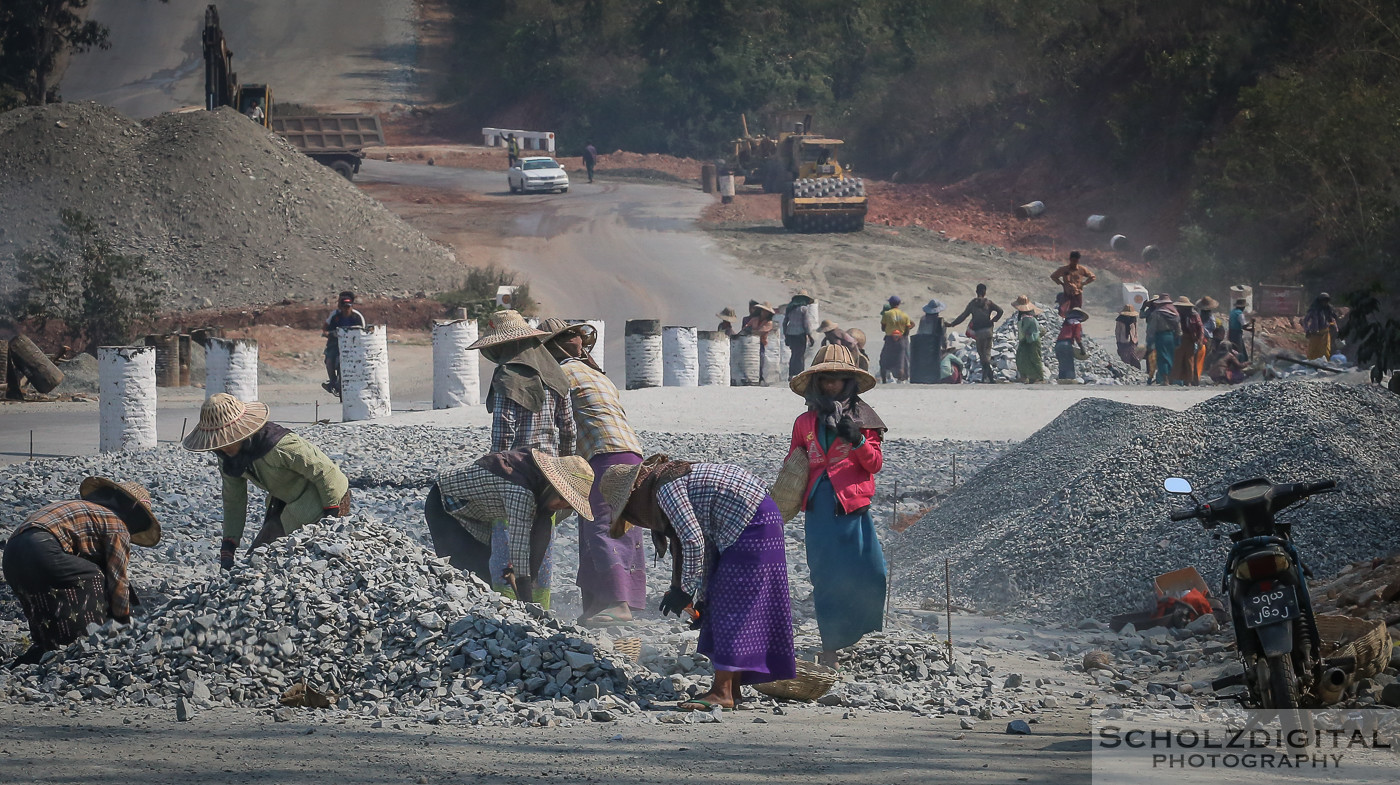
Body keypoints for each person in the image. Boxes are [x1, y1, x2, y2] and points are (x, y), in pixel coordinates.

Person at [602, 456, 796, 710]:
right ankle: (732, 689)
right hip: (753, 518)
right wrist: (701, 599)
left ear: (633, 499)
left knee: (732, 606)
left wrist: (683, 591)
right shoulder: (665, 482)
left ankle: (722, 692)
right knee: (723, 600)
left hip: (753, 521)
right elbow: (704, 549)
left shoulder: (666, 489)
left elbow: (693, 541)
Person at [539, 318, 647, 625]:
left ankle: (618, 604)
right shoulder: (596, 374)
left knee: (602, 525)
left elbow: (556, 427)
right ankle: (596, 608)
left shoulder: (559, 374)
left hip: (602, 454)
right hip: (630, 452)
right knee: (616, 524)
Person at [786, 346, 888, 666]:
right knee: (827, 579)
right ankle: (831, 646)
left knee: (871, 574)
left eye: (839, 378)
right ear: (817, 381)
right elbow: (794, 463)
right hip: (820, 510)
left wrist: (857, 440)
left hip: (854, 507)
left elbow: (875, 465)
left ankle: (867, 639)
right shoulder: (804, 422)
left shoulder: (864, 418)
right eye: (826, 378)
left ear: (849, 381)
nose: (832, 384)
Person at [2, 477, 161, 665]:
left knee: (41, 600)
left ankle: (42, 648)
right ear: (135, 514)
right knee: (94, 577)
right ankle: (82, 645)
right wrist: (123, 622)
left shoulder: (85, 510)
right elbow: (117, 579)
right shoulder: (117, 526)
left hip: (12, 553)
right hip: (42, 548)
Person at [183, 394, 351, 569]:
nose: (223, 448)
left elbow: (326, 472)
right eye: (218, 443)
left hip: (328, 497)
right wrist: (229, 545)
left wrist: (330, 522)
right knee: (255, 560)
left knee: (299, 562)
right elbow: (234, 500)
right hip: (285, 500)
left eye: (226, 441)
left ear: (240, 433)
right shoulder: (226, 456)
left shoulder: (281, 446)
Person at [426, 449, 595, 610]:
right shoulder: (520, 489)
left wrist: (532, 579)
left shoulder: (541, 487)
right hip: (446, 505)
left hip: (477, 515)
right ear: (553, 486)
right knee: (464, 576)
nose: (560, 506)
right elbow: (518, 547)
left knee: (482, 578)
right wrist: (527, 600)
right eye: (561, 499)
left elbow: (540, 534)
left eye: (567, 505)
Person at [468, 310, 576, 456]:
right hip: (550, 460)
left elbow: (503, 433)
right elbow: (568, 428)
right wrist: (566, 460)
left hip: (518, 465)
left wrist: (495, 464)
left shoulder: (506, 378)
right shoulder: (556, 374)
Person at [945, 284, 1004, 383]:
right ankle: (989, 378)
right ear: (985, 292)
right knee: (987, 354)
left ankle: (988, 378)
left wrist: (952, 324)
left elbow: (963, 316)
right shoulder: (989, 303)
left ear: (976, 292)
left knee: (982, 356)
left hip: (979, 333)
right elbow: (1000, 311)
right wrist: (994, 320)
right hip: (988, 331)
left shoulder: (972, 304)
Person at [322, 291, 366, 396]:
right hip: (335, 344)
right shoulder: (335, 316)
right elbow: (325, 328)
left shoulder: (357, 317)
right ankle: (332, 382)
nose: (346, 309)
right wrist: (328, 333)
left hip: (353, 345)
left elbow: (364, 332)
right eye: (344, 306)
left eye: (348, 306)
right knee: (329, 360)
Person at [1146, 294, 1181, 385]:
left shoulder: (1156, 314)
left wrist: (1149, 340)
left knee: (1162, 358)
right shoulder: (1175, 313)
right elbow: (1178, 328)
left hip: (1161, 337)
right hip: (1172, 337)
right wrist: (1178, 338)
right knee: (1171, 357)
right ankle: (1171, 379)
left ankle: (1165, 380)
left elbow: (1151, 329)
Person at [1049, 251, 1096, 317]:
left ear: (1078, 260)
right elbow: (1053, 276)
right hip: (1067, 295)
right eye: (1073, 260)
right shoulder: (1064, 269)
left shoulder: (1082, 269)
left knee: (1077, 313)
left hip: (1077, 295)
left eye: (1076, 261)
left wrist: (1084, 283)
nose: (1074, 262)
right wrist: (1061, 283)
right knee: (1064, 312)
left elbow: (1092, 277)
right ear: (1070, 259)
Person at [879, 296, 913, 383]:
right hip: (901, 339)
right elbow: (907, 330)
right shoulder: (905, 315)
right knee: (901, 360)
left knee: (884, 358)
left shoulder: (887, 314)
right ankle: (901, 379)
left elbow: (883, 328)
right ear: (899, 304)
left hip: (889, 339)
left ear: (890, 303)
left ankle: (884, 380)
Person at [1011, 295, 1045, 383]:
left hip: (1032, 340)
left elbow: (1024, 329)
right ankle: (1026, 376)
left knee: (1034, 357)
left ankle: (1039, 377)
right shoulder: (1026, 317)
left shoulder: (1028, 318)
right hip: (1027, 339)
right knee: (1022, 357)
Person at [783, 290, 817, 377]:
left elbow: (784, 323)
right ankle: (800, 374)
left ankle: (791, 374)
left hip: (790, 334)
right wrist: (810, 336)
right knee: (800, 355)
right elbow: (806, 324)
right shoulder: (804, 309)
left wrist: (786, 335)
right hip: (800, 334)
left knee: (794, 354)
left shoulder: (789, 308)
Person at [1170, 296, 1203, 386]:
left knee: (1189, 361)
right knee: (1177, 360)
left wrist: (1200, 340)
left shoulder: (1194, 315)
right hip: (1178, 339)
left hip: (1190, 339)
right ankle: (1176, 380)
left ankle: (1188, 381)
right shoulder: (1175, 314)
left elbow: (1200, 328)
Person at [741, 301, 776, 382]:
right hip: (751, 344)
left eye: (766, 311)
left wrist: (750, 330)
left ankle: (760, 377)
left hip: (761, 344)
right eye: (763, 310)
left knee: (761, 359)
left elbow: (760, 332)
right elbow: (746, 327)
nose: (764, 313)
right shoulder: (754, 319)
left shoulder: (769, 323)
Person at [915, 299, 948, 382]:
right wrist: (945, 346)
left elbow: (919, 332)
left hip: (924, 345)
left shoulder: (923, 319)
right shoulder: (940, 321)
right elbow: (943, 336)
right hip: (935, 345)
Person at [1054, 307, 1089, 384]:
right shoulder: (1077, 323)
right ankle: (1069, 380)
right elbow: (1077, 336)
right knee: (1069, 363)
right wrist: (1082, 348)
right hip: (1066, 344)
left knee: (1062, 363)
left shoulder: (1066, 323)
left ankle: (1062, 380)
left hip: (1058, 344)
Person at [1303, 293, 1339, 360]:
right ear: (1319, 301)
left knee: (1326, 351)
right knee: (1313, 351)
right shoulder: (1313, 310)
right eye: (1323, 301)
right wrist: (1307, 330)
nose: (1325, 303)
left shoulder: (1329, 309)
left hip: (1325, 334)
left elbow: (1333, 319)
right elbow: (1305, 321)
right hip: (1314, 334)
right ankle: (1311, 364)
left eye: (1326, 301)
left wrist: (1336, 329)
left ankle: (1324, 365)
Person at [1196, 296, 1222, 376]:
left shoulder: (1199, 315)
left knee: (1199, 352)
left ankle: (1199, 368)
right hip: (1208, 337)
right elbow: (1214, 326)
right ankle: (1204, 368)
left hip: (1199, 335)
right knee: (1207, 352)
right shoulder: (1211, 316)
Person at [1115, 305, 1141, 369]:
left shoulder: (1133, 319)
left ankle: (1136, 370)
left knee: (1134, 358)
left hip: (1132, 341)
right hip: (1123, 341)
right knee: (1125, 358)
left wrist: (1136, 339)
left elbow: (1136, 330)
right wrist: (1118, 342)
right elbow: (1117, 332)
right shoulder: (1120, 320)